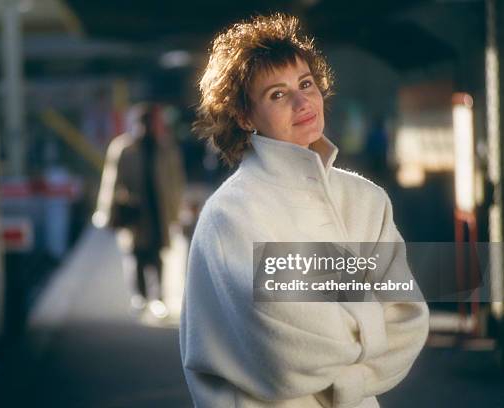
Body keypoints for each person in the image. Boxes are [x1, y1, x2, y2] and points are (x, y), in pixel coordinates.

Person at [180, 13, 429, 407]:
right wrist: (366, 330)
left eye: (306, 84)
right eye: (277, 94)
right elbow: (283, 353)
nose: (302, 102)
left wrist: (342, 354)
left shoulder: (367, 200)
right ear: (245, 116)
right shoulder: (231, 215)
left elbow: (407, 318)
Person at [94, 102, 185, 319]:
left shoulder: (165, 148)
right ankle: (140, 297)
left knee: (158, 256)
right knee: (136, 256)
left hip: (159, 211)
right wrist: (108, 213)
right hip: (135, 213)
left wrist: (177, 212)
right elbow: (111, 183)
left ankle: (159, 298)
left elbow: (176, 181)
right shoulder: (124, 148)